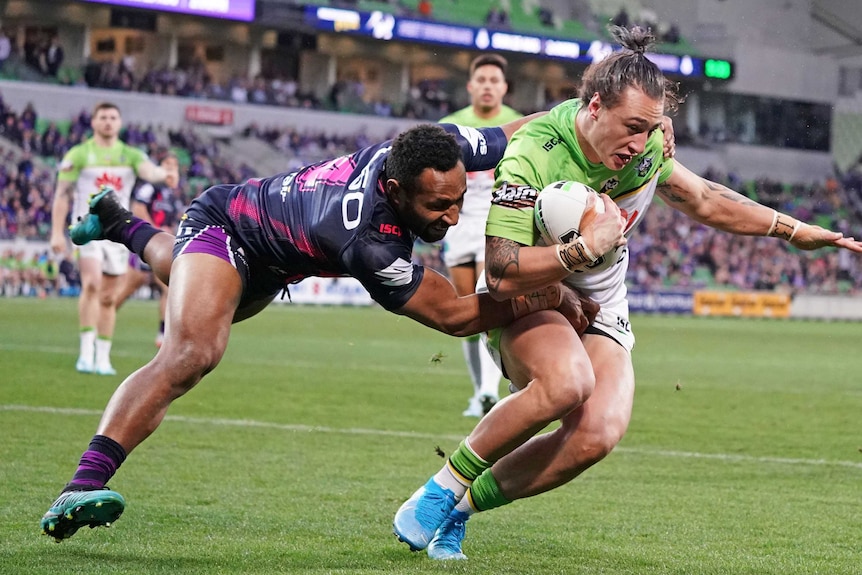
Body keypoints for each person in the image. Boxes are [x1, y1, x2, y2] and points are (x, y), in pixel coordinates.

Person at [392, 25, 862, 561]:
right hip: (532, 293)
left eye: (651, 129)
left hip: (604, 306)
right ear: (594, 106)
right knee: (567, 382)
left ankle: (459, 512)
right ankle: (440, 489)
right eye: (633, 127)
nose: (643, 144)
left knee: (599, 433)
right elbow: (501, 271)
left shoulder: (648, 147)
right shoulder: (534, 151)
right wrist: (578, 251)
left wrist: (793, 231)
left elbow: (704, 198)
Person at [40, 118, 604, 541]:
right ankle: (81, 485)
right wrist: (546, 293)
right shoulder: (366, 240)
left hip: (273, 262)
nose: (453, 218)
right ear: (395, 190)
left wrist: (595, 114)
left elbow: (529, 129)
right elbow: (453, 315)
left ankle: (118, 222)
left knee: (189, 279)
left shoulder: (436, 147)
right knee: (192, 352)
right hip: (229, 227)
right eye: (438, 205)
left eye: (459, 200)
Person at [50, 101, 179, 375]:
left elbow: (149, 172)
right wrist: (55, 232)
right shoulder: (80, 154)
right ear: (94, 122)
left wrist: (163, 173)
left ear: (119, 123)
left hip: (117, 233)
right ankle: (85, 352)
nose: (108, 122)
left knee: (109, 297)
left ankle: (102, 357)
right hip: (87, 229)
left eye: (113, 117)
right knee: (92, 284)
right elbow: (62, 194)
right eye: (103, 117)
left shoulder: (130, 154)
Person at [438, 54, 523, 417]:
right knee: (465, 315)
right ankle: (480, 391)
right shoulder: (449, 126)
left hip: (497, 221)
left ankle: (491, 390)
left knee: (488, 299)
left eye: (495, 80)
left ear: (504, 87)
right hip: (459, 223)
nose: (488, 85)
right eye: (482, 80)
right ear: (471, 86)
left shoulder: (519, 125)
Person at [115, 154, 185, 348]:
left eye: (174, 166)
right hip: (148, 244)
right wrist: (155, 232)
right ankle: (103, 321)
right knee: (127, 289)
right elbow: (137, 209)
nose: (171, 169)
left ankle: (163, 333)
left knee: (170, 288)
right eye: (167, 165)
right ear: (159, 168)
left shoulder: (173, 195)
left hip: (163, 247)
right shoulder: (150, 187)